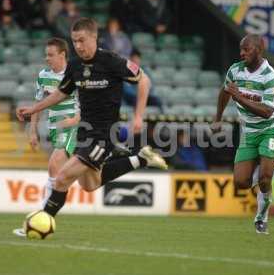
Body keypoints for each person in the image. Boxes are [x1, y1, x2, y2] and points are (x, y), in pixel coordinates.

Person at [16, 17, 167, 223]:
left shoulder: (112, 61)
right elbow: (60, 93)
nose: (78, 46)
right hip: (85, 132)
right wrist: (33, 108)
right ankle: (141, 158)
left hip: (104, 133)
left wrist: (138, 116)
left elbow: (144, 80)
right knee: (89, 185)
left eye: (82, 40)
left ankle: (38, 223)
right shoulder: (75, 66)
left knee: (61, 178)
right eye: (74, 41)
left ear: (94, 38)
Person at [212, 34, 274, 234]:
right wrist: (218, 117)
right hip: (248, 132)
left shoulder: (270, 76)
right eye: (241, 49)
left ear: (259, 50)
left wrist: (239, 96)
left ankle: (261, 218)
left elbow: (266, 111)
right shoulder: (235, 70)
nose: (241, 52)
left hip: (270, 129)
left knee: (264, 179)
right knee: (241, 183)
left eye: (247, 49)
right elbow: (224, 91)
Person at [30, 37, 80, 207]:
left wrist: (74, 120)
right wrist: (32, 132)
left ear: (62, 55)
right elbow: (37, 105)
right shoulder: (43, 76)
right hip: (55, 128)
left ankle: (42, 214)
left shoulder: (74, 74)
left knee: (53, 165)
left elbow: (86, 105)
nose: (47, 58)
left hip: (74, 126)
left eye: (51, 55)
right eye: (46, 55)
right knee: (83, 178)